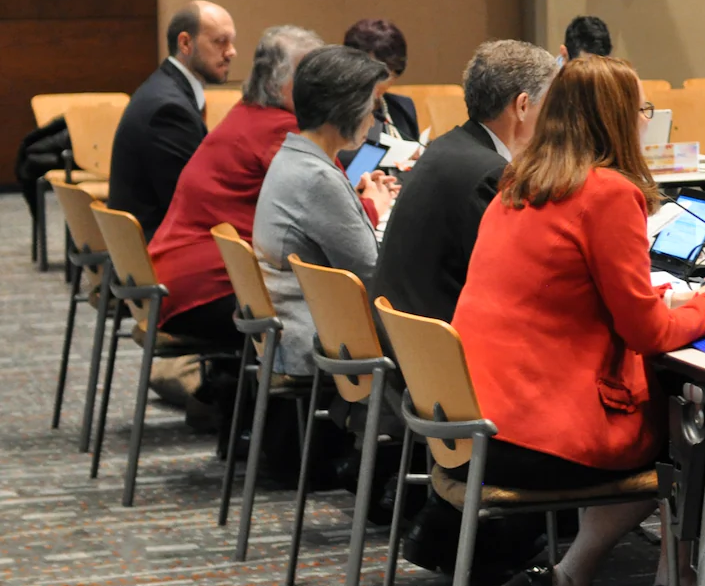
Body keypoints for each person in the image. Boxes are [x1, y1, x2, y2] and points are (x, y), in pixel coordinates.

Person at [454, 56, 705, 586]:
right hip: (541, 434)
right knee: (693, 436)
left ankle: (577, 581)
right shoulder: (608, 192)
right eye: (643, 110)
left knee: (677, 426)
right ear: (622, 119)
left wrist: (679, 300)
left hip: (482, 421)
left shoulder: (521, 182)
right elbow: (646, 332)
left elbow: (581, 298)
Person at [251, 45, 398, 478]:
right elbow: (375, 275)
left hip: (293, 322)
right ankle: (394, 471)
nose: (374, 120)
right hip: (314, 336)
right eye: (371, 108)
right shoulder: (318, 179)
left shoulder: (296, 157)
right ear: (346, 111)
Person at [149, 25, 324, 351]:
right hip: (206, 293)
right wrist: (372, 202)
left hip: (176, 280)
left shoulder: (245, 114)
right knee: (343, 321)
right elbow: (329, 214)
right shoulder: (280, 131)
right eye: (313, 79)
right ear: (283, 84)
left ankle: (228, 394)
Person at [370, 40, 554, 326]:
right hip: (437, 351)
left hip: (404, 335)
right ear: (522, 106)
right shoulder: (488, 173)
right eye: (549, 104)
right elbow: (508, 283)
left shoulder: (446, 147)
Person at [108, 0, 237, 239]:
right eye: (220, 41)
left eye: (231, 42)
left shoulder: (166, 88)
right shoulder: (168, 110)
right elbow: (192, 204)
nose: (231, 52)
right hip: (158, 247)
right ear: (185, 43)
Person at [342, 18, 420, 143]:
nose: (377, 83)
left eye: (386, 76)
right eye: (370, 73)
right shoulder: (331, 112)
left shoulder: (403, 108)